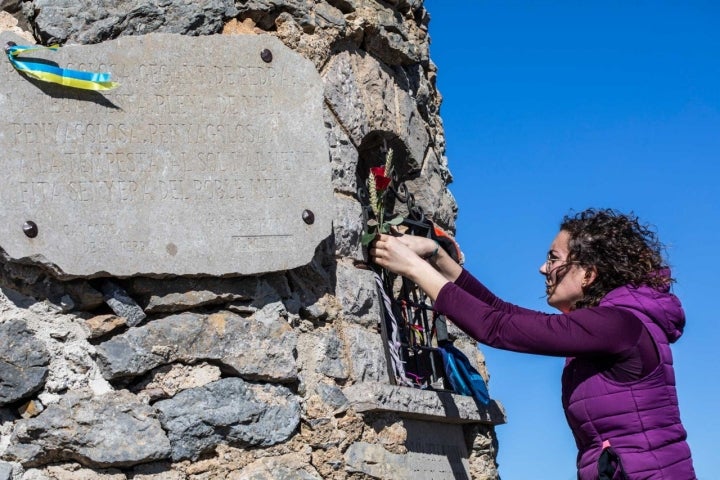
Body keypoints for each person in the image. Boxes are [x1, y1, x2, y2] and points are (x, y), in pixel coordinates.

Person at [370, 208, 696, 480]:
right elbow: (503, 312)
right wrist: (436, 256)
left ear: (588, 274)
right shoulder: (613, 323)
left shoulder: (616, 325)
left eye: (553, 259)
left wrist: (413, 268)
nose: (543, 269)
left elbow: (498, 328)